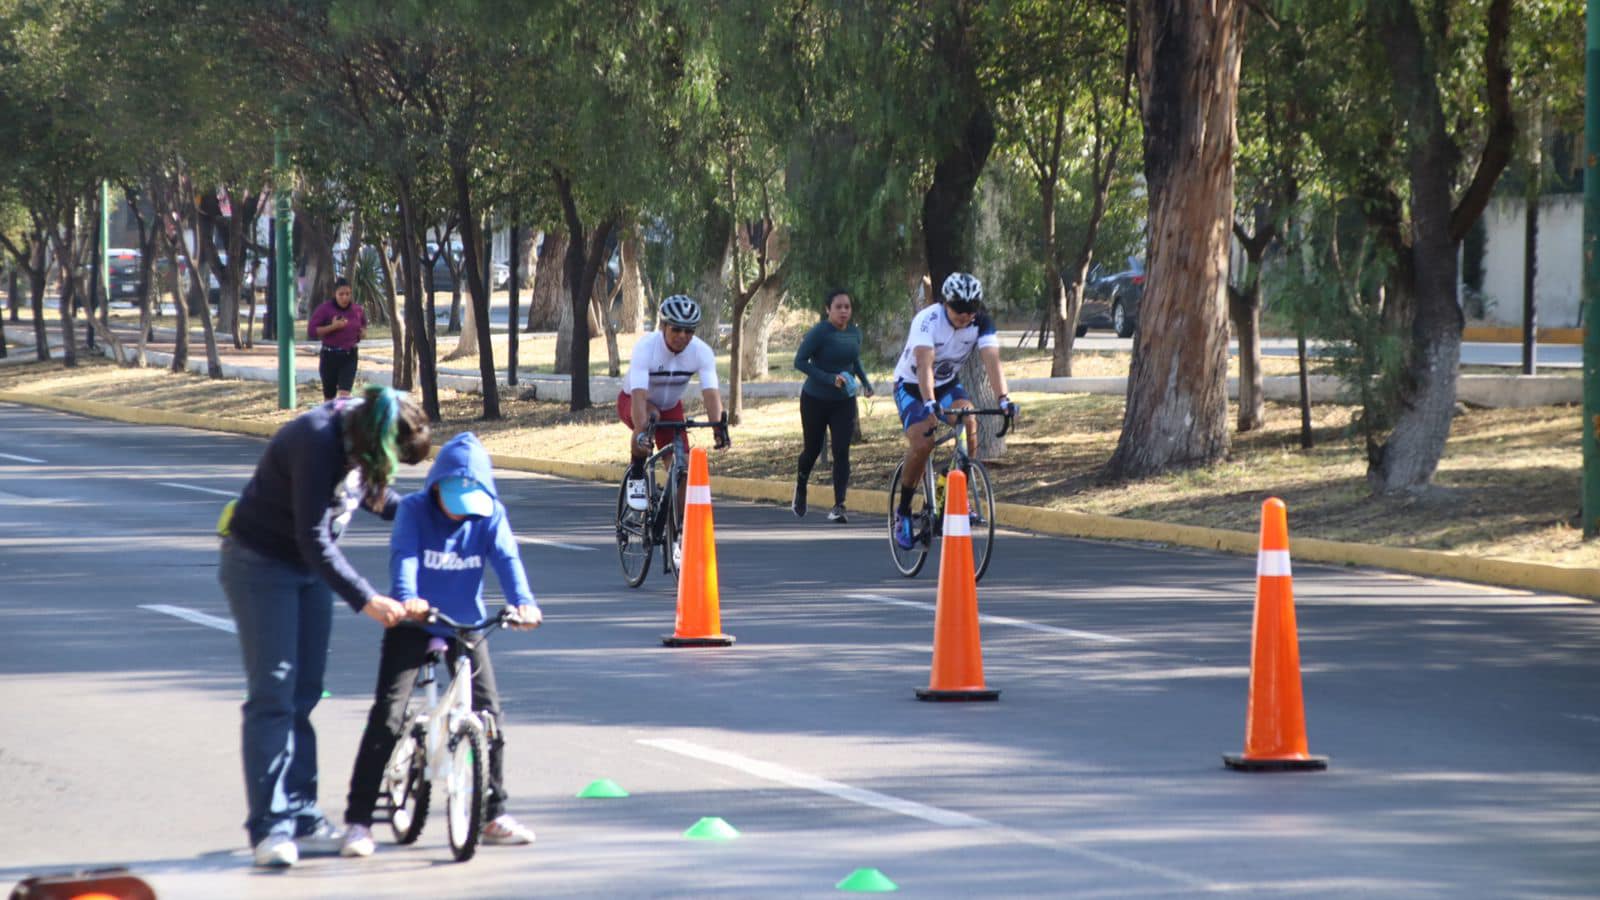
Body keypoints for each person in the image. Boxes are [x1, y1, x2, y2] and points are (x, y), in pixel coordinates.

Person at [217, 385, 431, 868]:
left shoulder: (359, 438)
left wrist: (432, 514)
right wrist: (367, 599)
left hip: (308, 570)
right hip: (260, 564)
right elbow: (313, 536)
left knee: (305, 693)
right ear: (374, 439)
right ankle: (270, 828)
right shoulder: (315, 439)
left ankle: (303, 814)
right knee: (274, 694)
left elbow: (379, 498)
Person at [340, 432, 543, 858]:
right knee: (388, 715)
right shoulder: (414, 511)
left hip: (465, 623)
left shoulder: (490, 515)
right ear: (437, 486)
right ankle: (358, 821)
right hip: (414, 621)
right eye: (455, 501)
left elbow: (507, 559)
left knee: (489, 714)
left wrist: (522, 603)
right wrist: (406, 596)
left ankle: (493, 814)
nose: (462, 514)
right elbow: (405, 556)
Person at [890, 272, 1019, 549]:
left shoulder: (981, 323)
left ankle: (952, 493)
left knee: (968, 420)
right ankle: (902, 512)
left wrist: (1004, 399)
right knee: (923, 442)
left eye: (971, 309)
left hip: (947, 384)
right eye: (959, 308)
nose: (965, 314)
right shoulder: (928, 321)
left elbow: (992, 362)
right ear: (945, 303)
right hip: (912, 386)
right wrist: (928, 402)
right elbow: (924, 364)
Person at [619, 294, 731, 564]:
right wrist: (643, 429)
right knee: (649, 418)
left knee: (683, 468)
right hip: (636, 401)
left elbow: (711, 393)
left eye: (689, 331)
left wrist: (719, 428)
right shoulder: (646, 348)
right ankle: (636, 474)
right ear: (663, 327)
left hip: (671, 408)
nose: (683, 336)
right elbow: (638, 397)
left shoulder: (701, 351)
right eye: (676, 329)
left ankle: (680, 531)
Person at [792, 288, 873, 523]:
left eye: (847, 307)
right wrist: (829, 378)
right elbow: (800, 361)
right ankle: (801, 486)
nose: (843, 311)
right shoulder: (820, 332)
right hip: (814, 400)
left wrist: (866, 382)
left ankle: (839, 505)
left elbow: (854, 360)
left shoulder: (855, 333)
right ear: (828, 309)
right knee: (812, 450)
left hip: (844, 402)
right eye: (838, 307)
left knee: (841, 451)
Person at [308, 277, 366, 401]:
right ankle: (330, 419)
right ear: (335, 294)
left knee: (345, 395)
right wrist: (333, 327)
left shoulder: (357, 310)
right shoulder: (325, 309)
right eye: (341, 294)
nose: (345, 297)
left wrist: (362, 333)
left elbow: (363, 325)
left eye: (348, 294)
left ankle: (343, 419)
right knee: (329, 398)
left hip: (349, 356)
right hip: (329, 356)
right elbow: (312, 331)